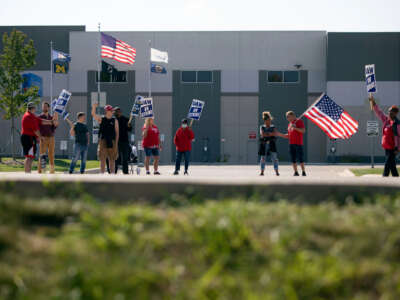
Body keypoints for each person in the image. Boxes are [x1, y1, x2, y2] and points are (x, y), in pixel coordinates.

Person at [369, 95, 400, 177]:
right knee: (392, 165)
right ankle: (396, 178)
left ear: (395, 113)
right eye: (389, 111)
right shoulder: (386, 120)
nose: (389, 112)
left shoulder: (397, 124)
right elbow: (379, 112)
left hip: (393, 148)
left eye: (391, 111)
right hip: (387, 146)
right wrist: (373, 102)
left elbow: (398, 137)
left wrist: (397, 148)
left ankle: (384, 177)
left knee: (387, 163)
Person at [20, 102, 53, 173]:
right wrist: (41, 137)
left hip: (28, 137)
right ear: (32, 108)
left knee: (29, 156)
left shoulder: (31, 116)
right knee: (29, 157)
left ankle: (27, 172)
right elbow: (35, 130)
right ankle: (27, 173)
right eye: (34, 108)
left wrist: (51, 122)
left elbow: (41, 121)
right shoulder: (28, 116)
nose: (35, 109)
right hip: (28, 138)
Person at [91, 103, 119, 174]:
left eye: (112, 111)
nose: (112, 112)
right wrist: (94, 107)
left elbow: (117, 132)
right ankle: (102, 173)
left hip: (112, 141)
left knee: (112, 159)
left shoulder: (114, 120)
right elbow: (93, 115)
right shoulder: (101, 119)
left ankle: (112, 173)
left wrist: (116, 142)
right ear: (107, 111)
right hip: (103, 140)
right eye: (110, 110)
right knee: (102, 159)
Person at [277, 111, 306, 176]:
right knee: (293, 159)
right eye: (286, 117)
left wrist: (295, 128)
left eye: (288, 117)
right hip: (291, 144)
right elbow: (289, 135)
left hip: (298, 143)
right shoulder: (289, 124)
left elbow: (303, 131)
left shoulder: (299, 121)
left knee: (300, 158)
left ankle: (303, 171)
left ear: (293, 116)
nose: (287, 118)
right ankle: (296, 172)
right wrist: (280, 134)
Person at [38, 101, 58, 174]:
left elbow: (55, 125)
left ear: (49, 108)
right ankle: (41, 171)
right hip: (43, 138)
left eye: (46, 106)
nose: (44, 107)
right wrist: (40, 137)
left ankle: (52, 170)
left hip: (51, 138)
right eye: (43, 106)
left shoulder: (51, 117)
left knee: (51, 154)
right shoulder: (39, 117)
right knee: (42, 154)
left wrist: (56, 116)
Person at [258, 111, 279, 176]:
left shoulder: (273, 126)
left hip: (272, 144)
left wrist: (267, 134)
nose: (269, 122)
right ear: (265, 121)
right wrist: (270, 134)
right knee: (263, 159)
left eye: (270, 120)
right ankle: (262, 172)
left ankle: (276, 171)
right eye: (268, 120)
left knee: (274, 159)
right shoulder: (262, 127)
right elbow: (262, 134)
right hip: (264, 144)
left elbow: (275, 134)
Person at [113, 107, 133, 174]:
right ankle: (114, 172)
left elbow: (130, 130)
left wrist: (129, 125)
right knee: (115, 158)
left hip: (125, 141)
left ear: (121, 112)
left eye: (119, 111)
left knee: (125, 158)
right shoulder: (113, 120)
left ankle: (125, 172)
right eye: (116, 111)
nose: (117, 112)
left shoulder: (126, 119)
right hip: (115, 142)